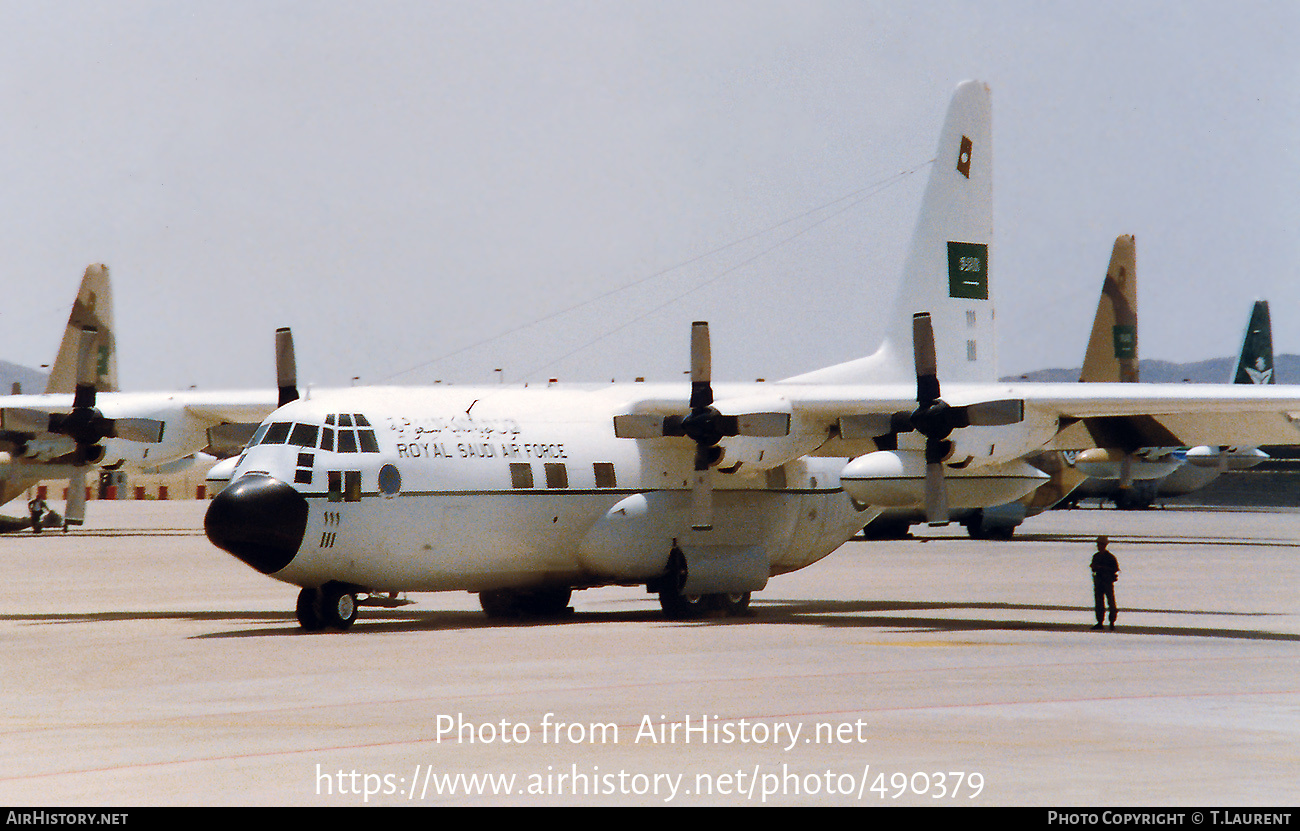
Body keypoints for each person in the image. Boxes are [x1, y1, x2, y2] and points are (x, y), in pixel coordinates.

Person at [1090, 535, 1120, 630]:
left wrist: (1103, 569)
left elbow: (1115, 569)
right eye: (1098, 544)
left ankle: (1111, 622)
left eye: (1100, 544)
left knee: (1111, 602)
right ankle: (1099, 622)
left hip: (1107, 581)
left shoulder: (1110, 557)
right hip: (1099, 581)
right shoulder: (1096, 556)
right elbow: (1093, 567)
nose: (1098, 546)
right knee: (1099, 602)